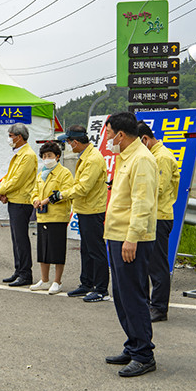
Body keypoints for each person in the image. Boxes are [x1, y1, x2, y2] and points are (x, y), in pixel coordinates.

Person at [103, 112, 158, 377]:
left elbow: (142, 203)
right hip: (115, 236)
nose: (108, 138)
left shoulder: (142, 159)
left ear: (121, 135)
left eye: (110, 133)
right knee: (122, 296)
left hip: (130, 240)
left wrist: (132, 238)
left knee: (134, 296)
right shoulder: (125, 157)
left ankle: (144, 354)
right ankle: (133, 343)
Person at [52, 125, 109, 302]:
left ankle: (101, 289)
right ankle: (86, 283)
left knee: (96, 250)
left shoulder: (92, 159)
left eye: (68, 142)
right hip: (85, 208)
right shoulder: (85, 156)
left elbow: (83, 188)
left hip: (93, 210)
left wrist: (61, 194)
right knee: (86, 249)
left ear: (75, 142)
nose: (68, 145)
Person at [137, 121, 180, 322]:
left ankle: (160, 308)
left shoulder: (161, 157)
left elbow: (158, 189)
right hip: (150, 216)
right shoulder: (153, 155)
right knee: (147, 264)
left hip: (159, 217)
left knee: (157, 265)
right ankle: (148, 304)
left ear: (145, 139)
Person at [0, 123, 38, 287]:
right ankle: (18, 270)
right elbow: (10, 176)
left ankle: (26, 273)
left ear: (19, 137)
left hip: (22, 201)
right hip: (15, 199)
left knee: (21, 238)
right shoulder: (19, 154)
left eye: (11, 135)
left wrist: (1, 191)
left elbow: (18, 179)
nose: (9, 138)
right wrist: (5, 191)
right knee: (15, 238)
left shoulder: (27, 155)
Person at [30, 141, 74, 294]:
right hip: (42, 216)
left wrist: (47, 200)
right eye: (44, 156)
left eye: (49, 155)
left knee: (57, 250)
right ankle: (44, 279)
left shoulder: (64, 173)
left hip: (57, 217)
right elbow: (34, 191)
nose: (46, 158)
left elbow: (66, 192)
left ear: (57, 156)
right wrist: (35, 200)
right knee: (43, 250)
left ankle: (57, 281)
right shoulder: (41, 174)